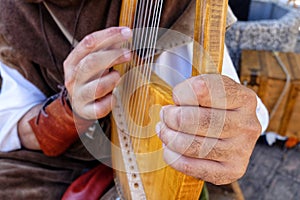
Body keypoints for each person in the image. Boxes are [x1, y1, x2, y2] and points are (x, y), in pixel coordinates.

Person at [0, 0, 269, 199]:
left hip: (155, 168)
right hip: (57, 164)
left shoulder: (167, 7)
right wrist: (72, 108)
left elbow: (235, 108)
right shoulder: (11, 14)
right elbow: (13, 123)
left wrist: (232, 131)